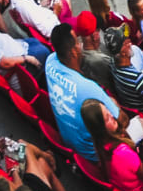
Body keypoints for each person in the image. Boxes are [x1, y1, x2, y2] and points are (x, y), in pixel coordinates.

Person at [47, 23, 119, 160]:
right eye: (78, 42)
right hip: (96, 154)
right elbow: (121, 120)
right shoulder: (88, 88)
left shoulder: (50, 62)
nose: (80, 45)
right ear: (73, 51)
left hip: (70, 142)